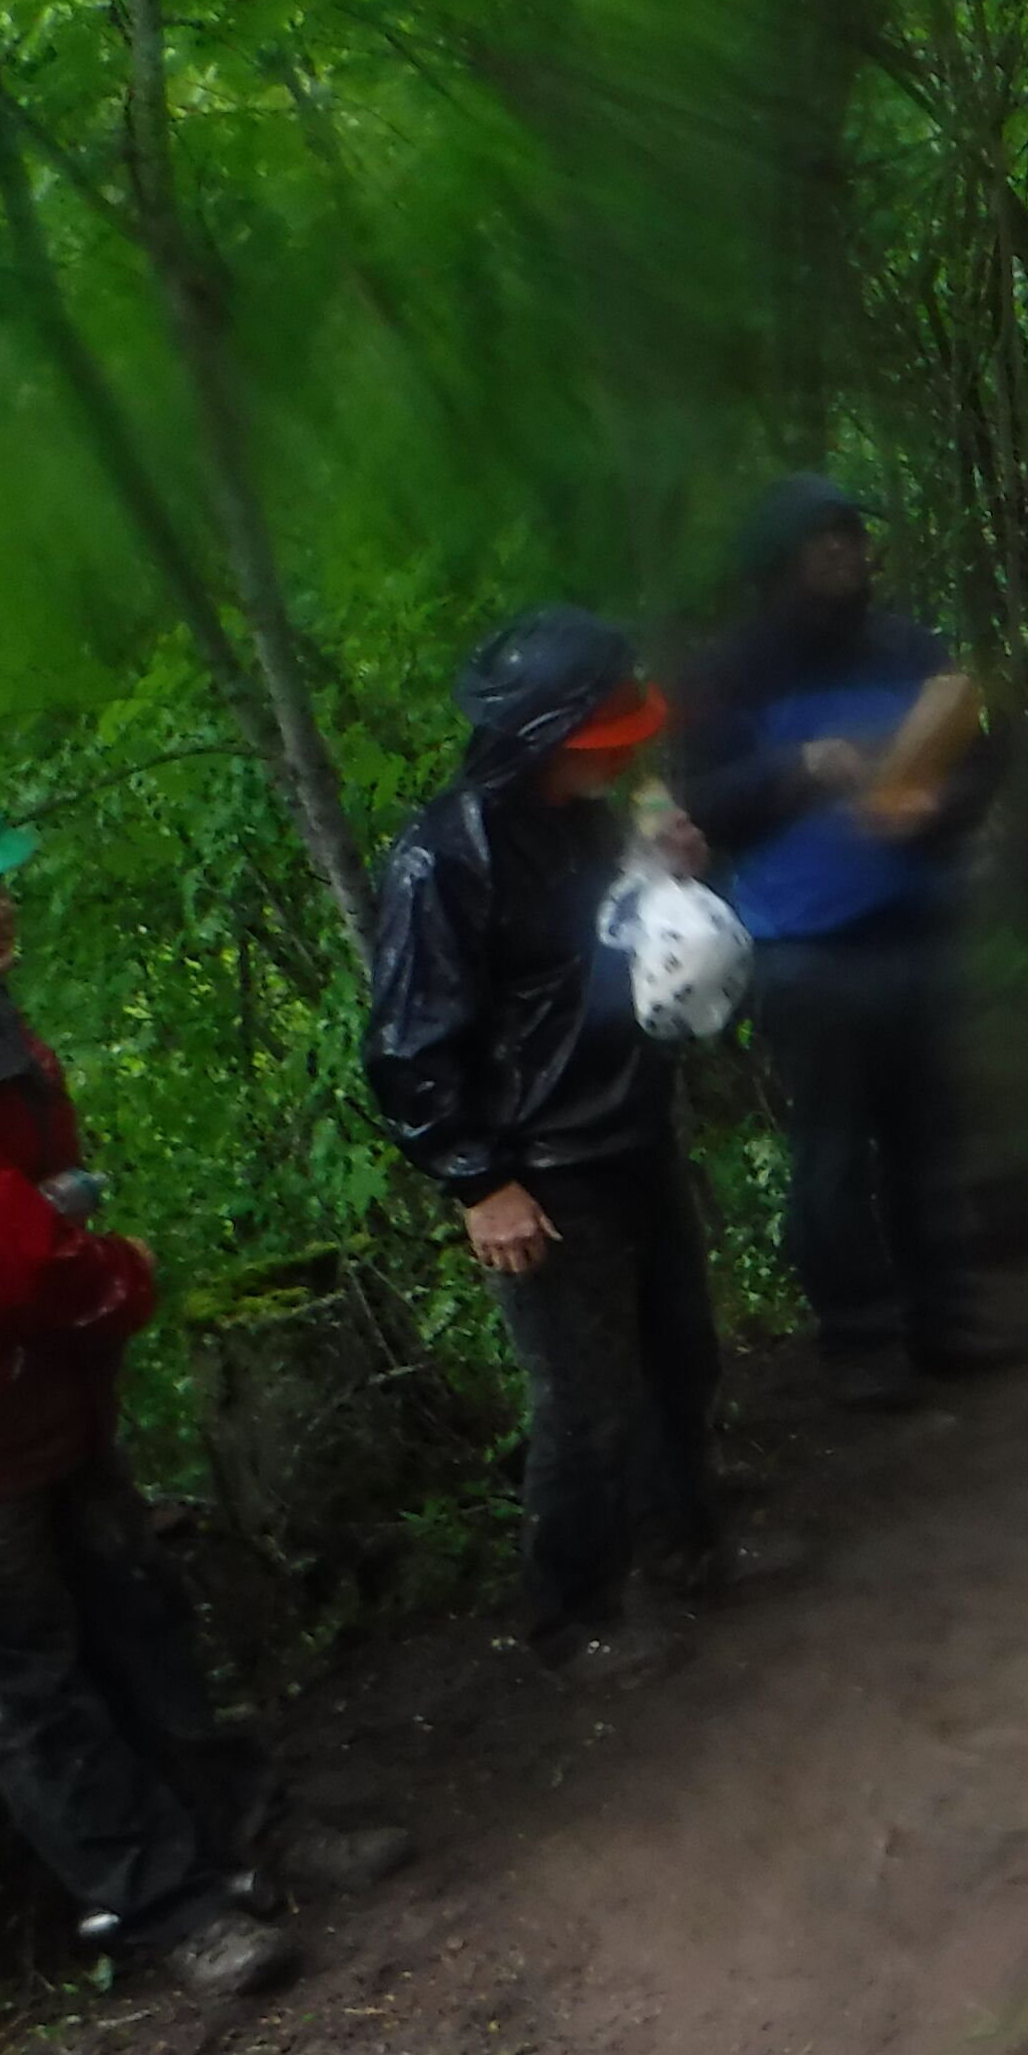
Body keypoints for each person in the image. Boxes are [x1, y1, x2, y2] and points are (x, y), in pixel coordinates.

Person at [0, 765, 398, 1995]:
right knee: (35, 1691)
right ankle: (167, 1904)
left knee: (143, 1621)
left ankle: (250, 1829)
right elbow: (4, 1257)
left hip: (48, 1399)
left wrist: (70, 1261)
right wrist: (113, 1273)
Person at [366, 611, 746, 1687]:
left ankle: (686, 1552)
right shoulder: (444, 857)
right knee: (585, 1404)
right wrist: (481, 1182)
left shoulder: (584, 818)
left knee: (682, 1355)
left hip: (629, 1127)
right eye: (606, 732)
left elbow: (618, 944)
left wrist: (660, 867)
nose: (628, 749)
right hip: (542, 1167)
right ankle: (570, 1615)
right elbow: (408, 1045)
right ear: (546, 733)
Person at [675, 477, 1001, 1408]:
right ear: (781, 561)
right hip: (800, 946)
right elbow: (698, 809)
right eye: (828, 541)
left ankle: (946, 1323)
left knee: (927, 1141)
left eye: (855, 538)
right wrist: (794, 770)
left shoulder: (906, 647)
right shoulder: (729, 675)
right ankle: (859, 1343)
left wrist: (941, 808)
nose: (850, 554)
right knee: (830, 1156)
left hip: (913, 924)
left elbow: (977, 757)